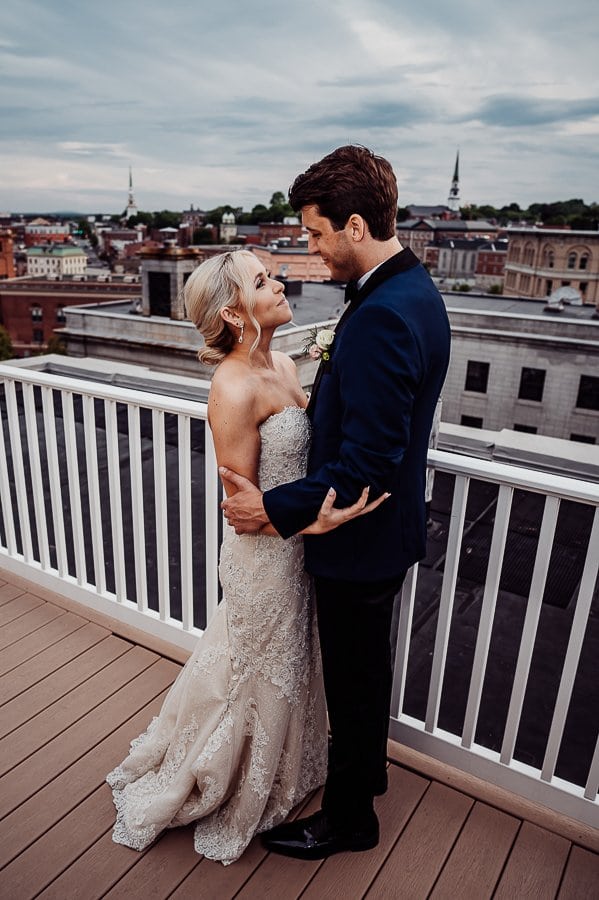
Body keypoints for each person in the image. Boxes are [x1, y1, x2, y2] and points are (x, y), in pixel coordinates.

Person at [106, 249, 384, 865]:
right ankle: (225, 779)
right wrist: (319, 519)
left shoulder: (285, 362)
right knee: (254, 669)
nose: (279, 281)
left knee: (290, 663)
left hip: (300, 549)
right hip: (264, 559)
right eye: (263, 280)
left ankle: (288, 765)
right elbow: (244, 507)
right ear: (234, 311)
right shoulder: (230, 387)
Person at [220, 146, 452, 860]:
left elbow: (369, 459)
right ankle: (368, 777)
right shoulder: (413, 290)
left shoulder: (383, 313)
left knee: (352, 684)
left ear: (355, 225)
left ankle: (350, 821)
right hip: (383, 532)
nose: (310, 251)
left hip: (357, 537)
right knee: (363, 674)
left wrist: (274, 510)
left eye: (316, 234)